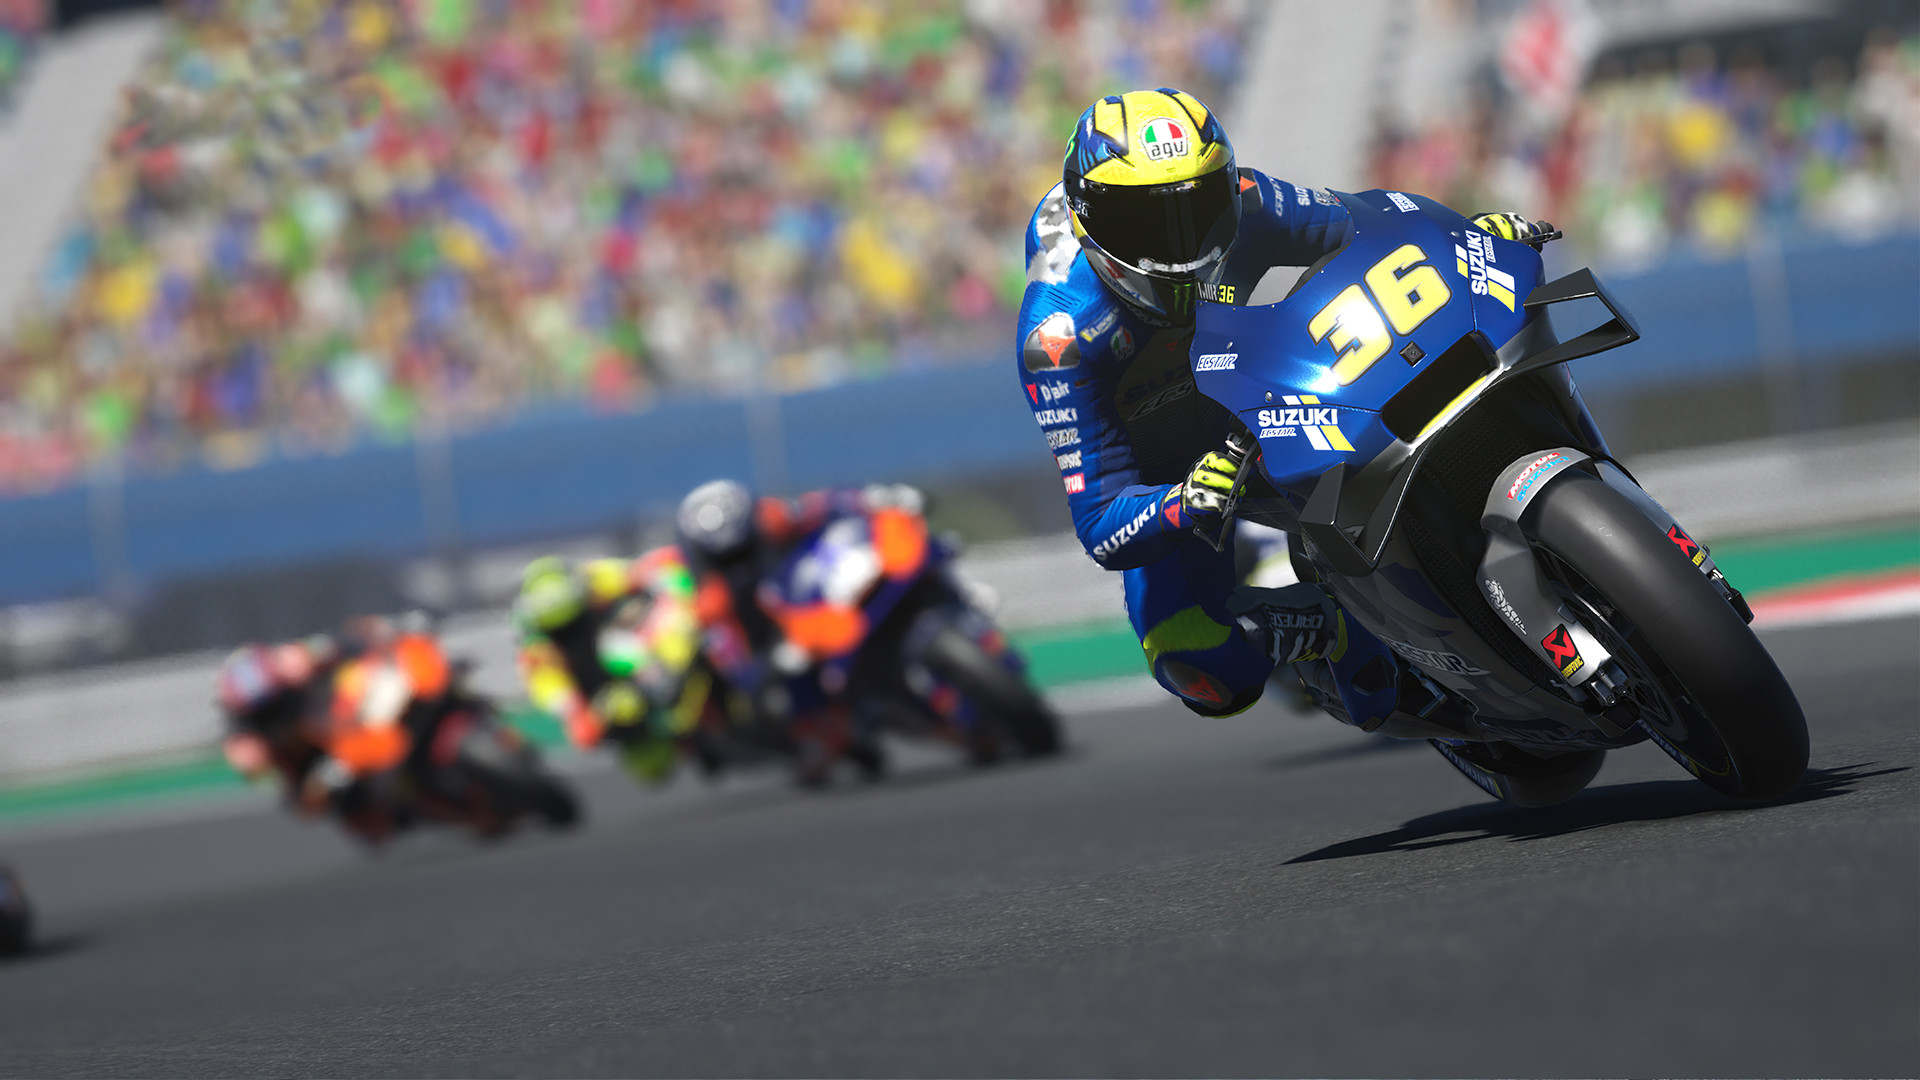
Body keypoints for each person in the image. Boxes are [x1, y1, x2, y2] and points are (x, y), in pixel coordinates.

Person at [1017, 88, 1554, 726]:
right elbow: (1102, 522)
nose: (1182, 245)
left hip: (1269, 393)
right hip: (1176, 472)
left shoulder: (1249, 200)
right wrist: (1182, 501)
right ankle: (1327, 625)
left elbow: (1369, 226)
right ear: (1091, 225)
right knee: (1198, 664)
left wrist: (1463, 238)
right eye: (1147, 225)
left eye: (1199, 207)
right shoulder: (1058, 340)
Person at [513, 547, 710, 780]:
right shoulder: (537, 653)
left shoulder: (592, 576)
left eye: (579, 619)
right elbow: (571, 716)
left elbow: (657, 567)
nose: (576, 633)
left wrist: (683, 600)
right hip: (610, 692)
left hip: (648, 643)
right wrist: (596, 711)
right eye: (563, 631)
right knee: (652, 766)